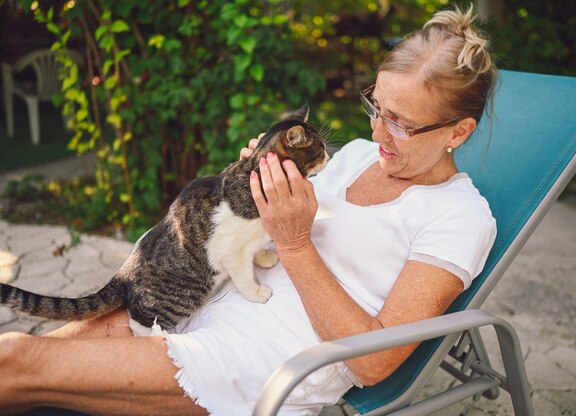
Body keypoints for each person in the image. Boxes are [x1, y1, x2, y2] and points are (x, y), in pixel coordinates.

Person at [0, 5, 497, 416]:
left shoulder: (459, 219)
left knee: (21, 360)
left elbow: (374, 364)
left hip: (262, 362)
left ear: (458, 132)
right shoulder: (360, 156)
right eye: (376, 108)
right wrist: (252, 186)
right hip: (207, 300)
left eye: (402, 124)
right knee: (20, 359)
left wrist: (294, 242)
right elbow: (256, 227)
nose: (378, 133)